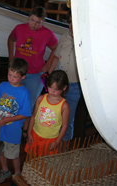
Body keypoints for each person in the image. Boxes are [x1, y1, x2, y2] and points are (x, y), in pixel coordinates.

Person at [7, 6, 58, 137]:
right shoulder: (19, 28)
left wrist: (48, 64)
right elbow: (11, 39)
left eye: (38, 22)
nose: (34, 24)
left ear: (43, 22)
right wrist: (11, 58)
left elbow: (55, 48)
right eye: (32, 20)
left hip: (35, 73)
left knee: (29, 104)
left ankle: (25, 129)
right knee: (15, 100)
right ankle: (12, 125)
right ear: (28, 18)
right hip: (18, 72)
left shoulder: (47, 33)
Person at [0, 58, 31, 183]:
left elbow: (25, 114)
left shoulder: (25, 93)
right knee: (0, 152)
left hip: (13, 131)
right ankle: (5, 170)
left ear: (23, 77)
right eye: (9, 75)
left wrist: (7, 119)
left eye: (15, 77)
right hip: (0, 127)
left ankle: (18, 173)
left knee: (13, 155)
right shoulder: (2, 86)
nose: (11, 78)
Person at [49, 9, 81, 142]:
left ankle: (64, 145)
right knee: (53, 114)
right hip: (57, 83)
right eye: (70, 22)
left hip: (74, 86)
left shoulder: (87, 40)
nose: (72, 25)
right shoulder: (64, 36)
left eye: (75, 22)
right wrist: (49, 76)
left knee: (68, 117)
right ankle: (51, 140)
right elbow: (56, 57)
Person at [25, 70, 70, 156]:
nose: (52, 91)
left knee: (45, 163)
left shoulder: (64, 106)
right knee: (31, 159)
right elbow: (33, 116)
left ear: (64, 88)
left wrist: (57, 142)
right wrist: (29, 132)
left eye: (56, 89)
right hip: (35, 135)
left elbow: (64, 126)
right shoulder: (40, 99)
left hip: (51, 139)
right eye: (50, 87)